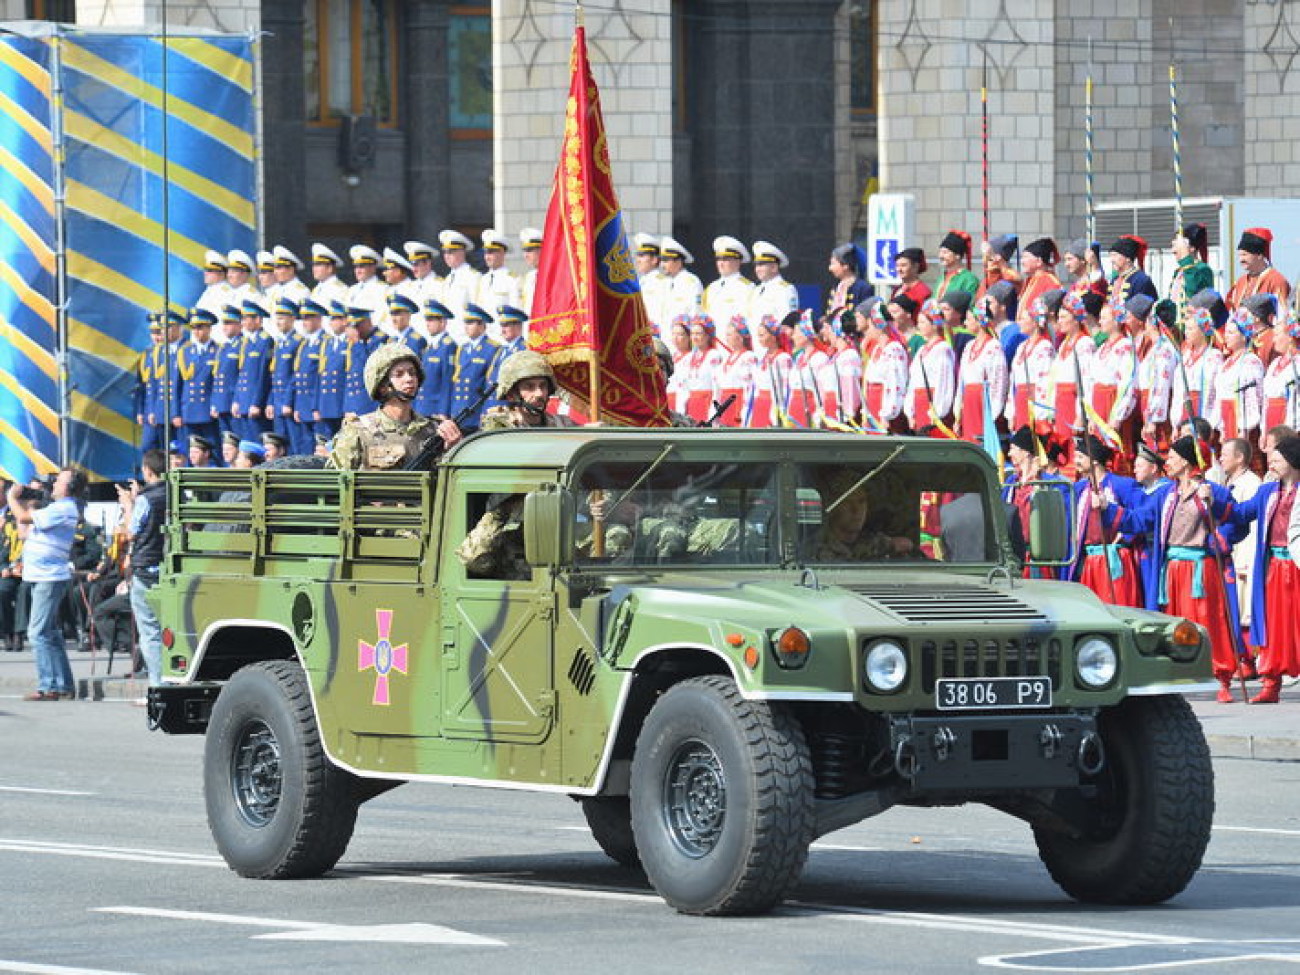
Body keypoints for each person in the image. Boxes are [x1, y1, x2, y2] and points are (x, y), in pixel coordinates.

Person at [1107, 436, 1240, 701]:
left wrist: (1216, 532)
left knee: (1209, 620)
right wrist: (1109, 510)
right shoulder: (1167, 494)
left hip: (1202, 568)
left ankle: (1221, 675)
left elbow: (1235, 522)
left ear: (1188, 461)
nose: (1167, 460)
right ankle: (1178, 673)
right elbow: (1139, 520)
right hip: (1172, 568)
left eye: (1173, 456)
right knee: (1175, 622)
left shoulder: (1214, 491)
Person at [1230, 435, 1300, 702]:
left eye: (1277, 459)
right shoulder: (1268, 491)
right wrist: (1215, 497)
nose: (1271, 464)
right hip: (1273, 568)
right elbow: (1241, 513)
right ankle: (1271, 684)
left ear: (1292, 462)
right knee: (1273, 626)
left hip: (1297, 565)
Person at [8, 469, 86, 700]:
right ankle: (62, 685)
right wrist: (29, 503)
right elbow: (24, 532)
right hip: (40, 575)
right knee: (50, 633)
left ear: (68, 487)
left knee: (38, 633)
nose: (52, 484)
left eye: (57, 481)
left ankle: (49, 686)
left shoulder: (64, 507)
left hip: (49, 577)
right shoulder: (54, 509)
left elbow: (22, 518)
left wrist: (13, 498)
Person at [328, 343, 458, 471]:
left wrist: (453, 449)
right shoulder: (358, 431)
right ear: (383, 386)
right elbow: (335, 483)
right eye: (399, 374)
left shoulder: (433, 431)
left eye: (412, 373)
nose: (409, 379)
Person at [117, 450, 167, 688]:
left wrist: (129, 505)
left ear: (147, 471)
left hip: (147, 568)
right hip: (168, 566)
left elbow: (132, 532)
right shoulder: (177, 494)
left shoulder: (146, 499)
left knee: (150, 631)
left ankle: (158, 686)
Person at [1072, 436, 1141, 606]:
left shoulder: (1122, 485)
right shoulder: (1079, 488)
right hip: (1090, 559)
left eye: (1080, 457)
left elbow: (1141, 515)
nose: (1076, 461)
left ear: (1095, 461)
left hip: (1114, 558)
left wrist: (1126, 536)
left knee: (1117, 606)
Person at [1221, 437, 1262, 671]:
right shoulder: (1228, 482)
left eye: (1226, 454)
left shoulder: (1251, 484)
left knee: (1245, 606)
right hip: (1229, 554)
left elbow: (1252, 525)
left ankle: (1248, 659)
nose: (1221, 458)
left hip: (1243, 555)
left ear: (1240, 457)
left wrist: (1247, 559)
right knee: (1231, 606)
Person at [480, 351, 578, 431]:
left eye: (543, 386)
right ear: (511, 394)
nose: (539, 393)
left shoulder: (563, 425)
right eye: (529, 387)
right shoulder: (501, 427)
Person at [956, 294, 1007, 444]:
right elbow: (962, 379)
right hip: (969, 400)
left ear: (979, 321)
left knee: (981, 441)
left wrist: (993, 412)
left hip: (983, 401)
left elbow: (999, 381)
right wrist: (958, 408)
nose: (965, 323)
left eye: (969, 319)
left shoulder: (994, 346)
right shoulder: (968, 346)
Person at [1006, 290, 1059, 432]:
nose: (1019, 322)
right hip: (1021, 399)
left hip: (1034, 402)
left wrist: (1041, 413)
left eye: (1023, 319)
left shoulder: (1044, 347)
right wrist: (1011, 412)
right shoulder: (1022, 347)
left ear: (1035, 322)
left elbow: (1046, 382)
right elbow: (1013, 380)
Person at [1225, 227, 1290, 312]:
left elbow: (1283, 316)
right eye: (1239, 255)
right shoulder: (1241, 282)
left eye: (1245, 255)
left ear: (1259, 255)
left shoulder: (1276, 281)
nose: (1241, 259)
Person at [703, 236, 754, 328]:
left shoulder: (747, 287)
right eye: (718, 259)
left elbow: (749, 319)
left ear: (738, 261)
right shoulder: (711, 288)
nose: (721, 263)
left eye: (726, 259)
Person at [1168, 223, 1215, 322]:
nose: (1173, 250)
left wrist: (1186, 261)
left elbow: (1192, 293)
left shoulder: (1203, 269)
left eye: (1177, 246)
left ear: (1191, 248)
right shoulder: (1178, 271)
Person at [748, 241, 799, 327]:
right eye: (756, 265)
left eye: (761, 265)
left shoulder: (785, 289)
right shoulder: (756, 290)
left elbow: (786, 325)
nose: (757, 269)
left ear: (774, 267)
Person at [1107, 235, 1158, 311]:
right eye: (1110, 256)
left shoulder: (1141, 280)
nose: (1111, 260)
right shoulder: (1115, 280)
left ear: (1128, 258)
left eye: (1115, 255)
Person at [825, 242, 871, 323]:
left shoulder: (862, 288)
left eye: (833, 264)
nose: (830, 268)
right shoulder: (836, 286)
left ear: (845, 266)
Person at [1018, 237, 1062, 313]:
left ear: (1039, 261)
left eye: (1025, 257)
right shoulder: (1029, 280)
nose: (1022, 261)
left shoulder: (1050, 282)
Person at [934, 230, 980, 300]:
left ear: (957, 255)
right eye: (940, 252)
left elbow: (969, 305)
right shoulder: (941, 277)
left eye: (945, 252)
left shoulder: (969, 279)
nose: (940, 256)